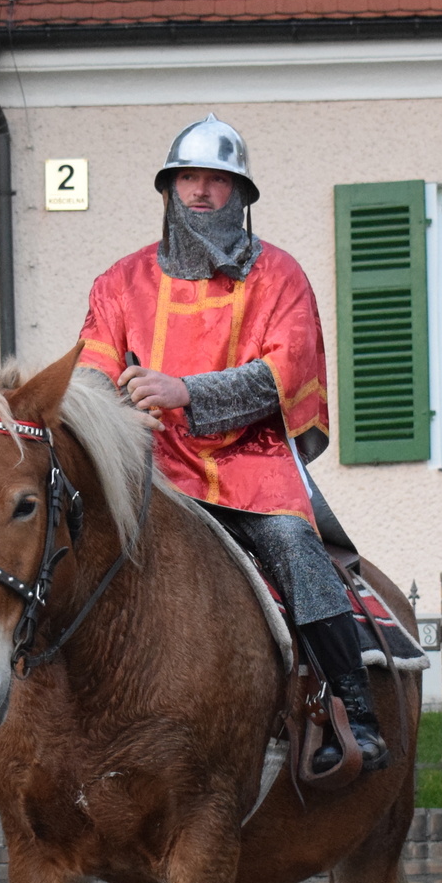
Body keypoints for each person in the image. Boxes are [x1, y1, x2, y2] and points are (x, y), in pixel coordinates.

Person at [75, 114, 386, 773]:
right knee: (59, 550)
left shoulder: (279, 277)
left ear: (239, 195)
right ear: (168, 190)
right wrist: (121, 414)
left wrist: (183, 391)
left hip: (250, 466)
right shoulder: (118, 284)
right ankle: (19, 728)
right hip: (151, 470)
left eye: (218, 180)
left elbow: (284, 374)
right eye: (188, 177)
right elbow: (91, 380)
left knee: (299, 551)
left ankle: (351, 709)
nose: (201, 191)